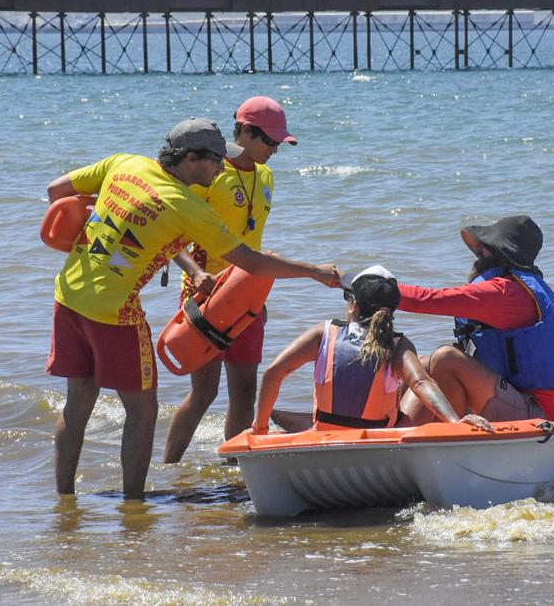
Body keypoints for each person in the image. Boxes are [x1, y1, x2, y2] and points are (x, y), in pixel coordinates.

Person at [45, 118, 339, 499]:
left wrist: (106, 218)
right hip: (114, 313)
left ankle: (64, 500)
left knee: (77, 402)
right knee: (143, 410)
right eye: (216, 161)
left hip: (68, 295)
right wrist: (314, 272)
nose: (220, 169)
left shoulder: (124, 163)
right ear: (190, 160)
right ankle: (135, 505)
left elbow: (56, 191)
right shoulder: (184, 207)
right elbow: (253, 263)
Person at [163, 97, 297, 463]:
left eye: (278, 144)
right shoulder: (209, 172)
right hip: (205, 297)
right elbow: (169, 235)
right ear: (245, 132)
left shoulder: (266, 176)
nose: (274, 150)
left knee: (244, 394)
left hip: (246, 299)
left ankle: (233, 471)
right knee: (203, 394)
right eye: (269, 141)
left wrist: (258, 295)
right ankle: (168, 468)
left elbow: (252, 245)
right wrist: (195, 272)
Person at [252, 266, 493, 434]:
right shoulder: (398, 344)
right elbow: (421, 383)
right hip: (377, 439)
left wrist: (259, 428)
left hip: (327, 433)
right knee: (423, 371)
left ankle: (277, 419)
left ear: (353, 305)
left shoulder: (323, 332)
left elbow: (274, 372)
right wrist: (455, 420)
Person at [395, 215, 554, 425]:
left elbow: (426, 300)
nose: (479, 251)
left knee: (446, 359)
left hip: (540, 414)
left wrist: (374, 288)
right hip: (516, 400)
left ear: (500, 253)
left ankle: (433, 440)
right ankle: (397, 433)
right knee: (422, 364)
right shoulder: (523, 286)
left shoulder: (506, 292)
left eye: (485, 247)